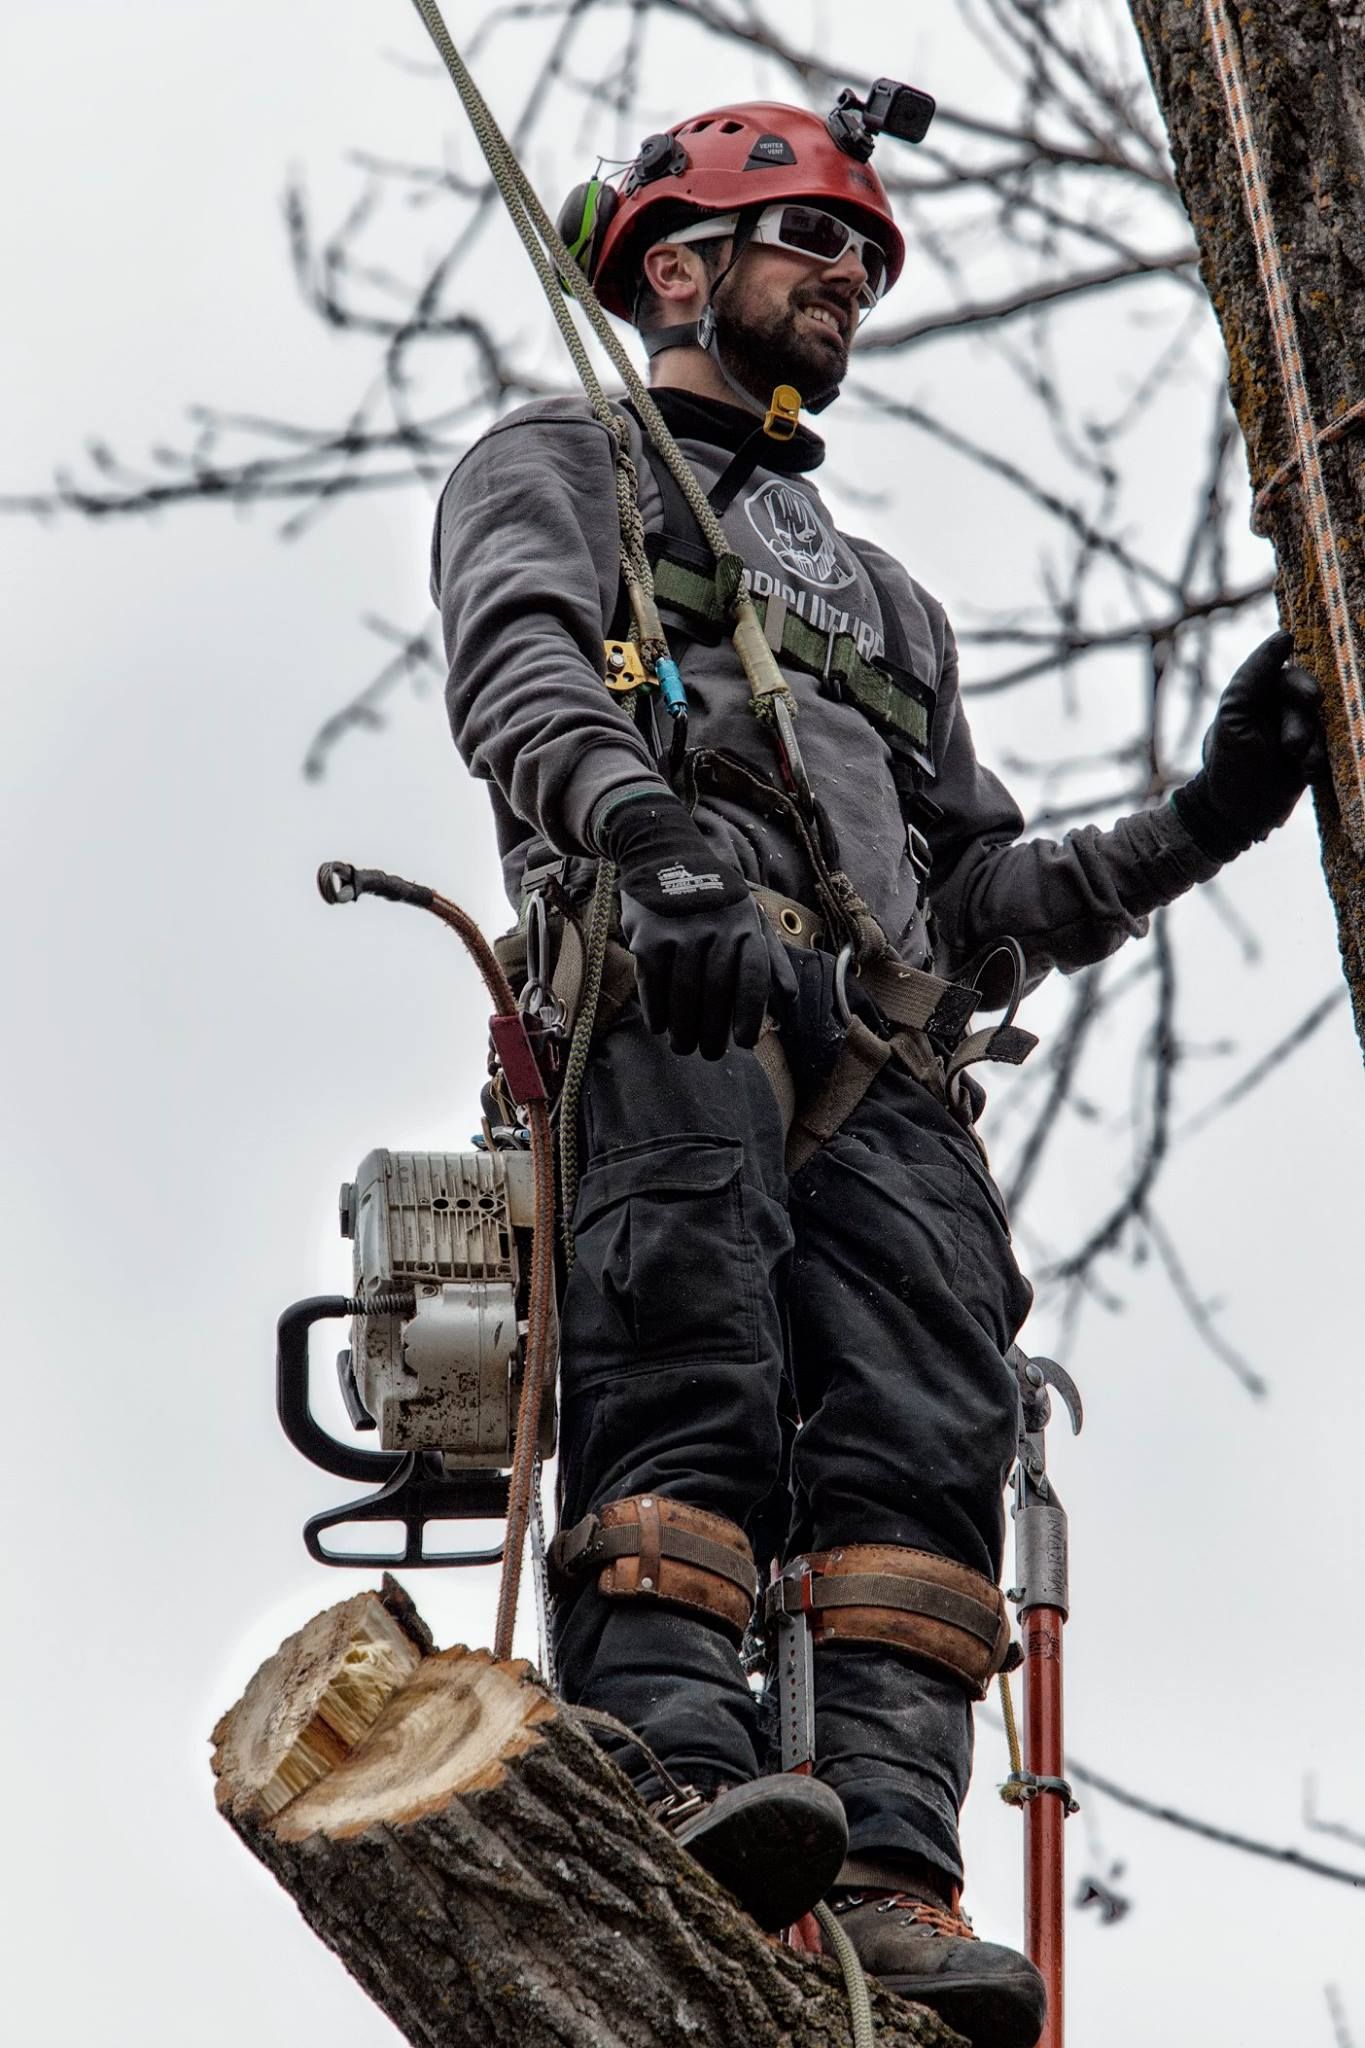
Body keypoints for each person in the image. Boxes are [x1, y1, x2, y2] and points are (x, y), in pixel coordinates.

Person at [431, 100, 1323, 2048]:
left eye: (862, 256)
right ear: (675, 268)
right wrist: (645, 842)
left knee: (924, 1426)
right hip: (673, 994)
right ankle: (667, 1767)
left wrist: (1203, 814)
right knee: (692, 1361)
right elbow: (514, 675)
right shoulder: (562, 463)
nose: (846, 278)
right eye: (803, 242)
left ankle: (886, 1869)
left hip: (882, 1056)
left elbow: (978, 888)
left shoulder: (886, 600)